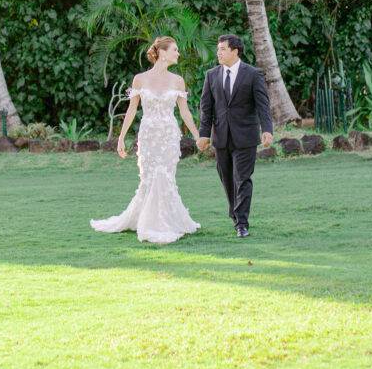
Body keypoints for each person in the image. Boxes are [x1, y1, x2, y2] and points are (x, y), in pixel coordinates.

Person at [90, 36, 201, 244]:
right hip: (148, 135)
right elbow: (131, 110)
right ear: (162, 52)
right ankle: (148, 221)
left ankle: (166, 221)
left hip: (168, 135)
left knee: (166, 176)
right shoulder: (140, 79)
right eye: (175, 50)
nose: (178, 53)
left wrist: (197, 136)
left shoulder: (177, 81)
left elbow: (185, 113)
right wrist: (121, 138)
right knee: (149, 177)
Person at [196, 34, 273, 238]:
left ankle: (242, 223)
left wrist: (267, 129)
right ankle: (235, 213)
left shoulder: (253, 74)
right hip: (221, 137)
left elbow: (262, 105)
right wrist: (204, 134)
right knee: (227, 179)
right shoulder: (211, 75)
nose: (218, 52)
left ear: (235, 51)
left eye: (222, 49)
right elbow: (206, 109)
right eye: (218, 49)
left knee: (243, 178)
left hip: (246, 136)